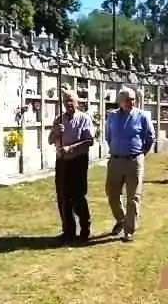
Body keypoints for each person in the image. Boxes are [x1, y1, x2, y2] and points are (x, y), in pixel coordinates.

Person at [105, 87, 155, 242]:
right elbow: (108, 136)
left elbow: (150, 137)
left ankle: (129, 230)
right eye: (128, 99)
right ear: (120, 101)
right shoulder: (112, 117)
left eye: (133, 99)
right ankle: (121, 219)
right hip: (115, 160)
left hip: (134, 161)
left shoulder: (142, 116)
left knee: (133, 197)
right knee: (112, 194)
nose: (132, 102)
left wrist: (140, 154)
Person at [48, 90, 95, 243]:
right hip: (62, 162)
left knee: (78, 196)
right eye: (66, 101)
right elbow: (50, 140)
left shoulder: (84, 119)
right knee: (63, 196)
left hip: (78, 161)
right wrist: (55, 132)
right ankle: (68, 230)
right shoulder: (59, 119)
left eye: (72, 102)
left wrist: (71, 148)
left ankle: (85, 229)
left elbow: (89, 141)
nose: (69, 104)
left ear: (77, 103)